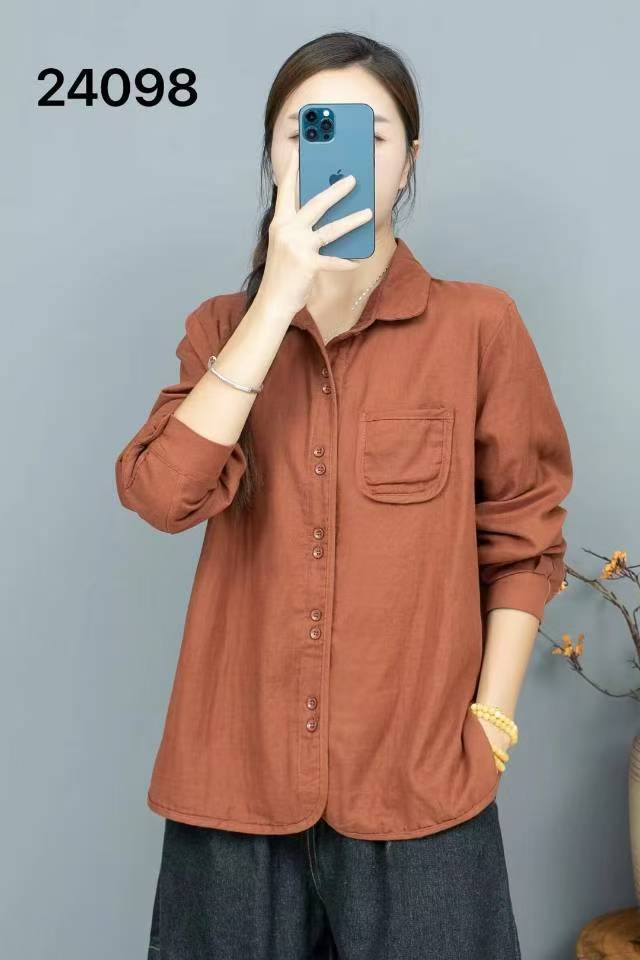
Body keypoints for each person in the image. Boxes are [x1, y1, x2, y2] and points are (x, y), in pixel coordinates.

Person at [115, 30, 572, 960]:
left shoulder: (480, 326)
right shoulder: (221, 327)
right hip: (232, 794)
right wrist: (274, 303)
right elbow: (162, 495)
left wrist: (490, 725)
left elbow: (525, 539)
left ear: (409, 160)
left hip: (422, 791)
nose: (339, 154)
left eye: (372, 134)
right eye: (307, 130)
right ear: (273, 155)